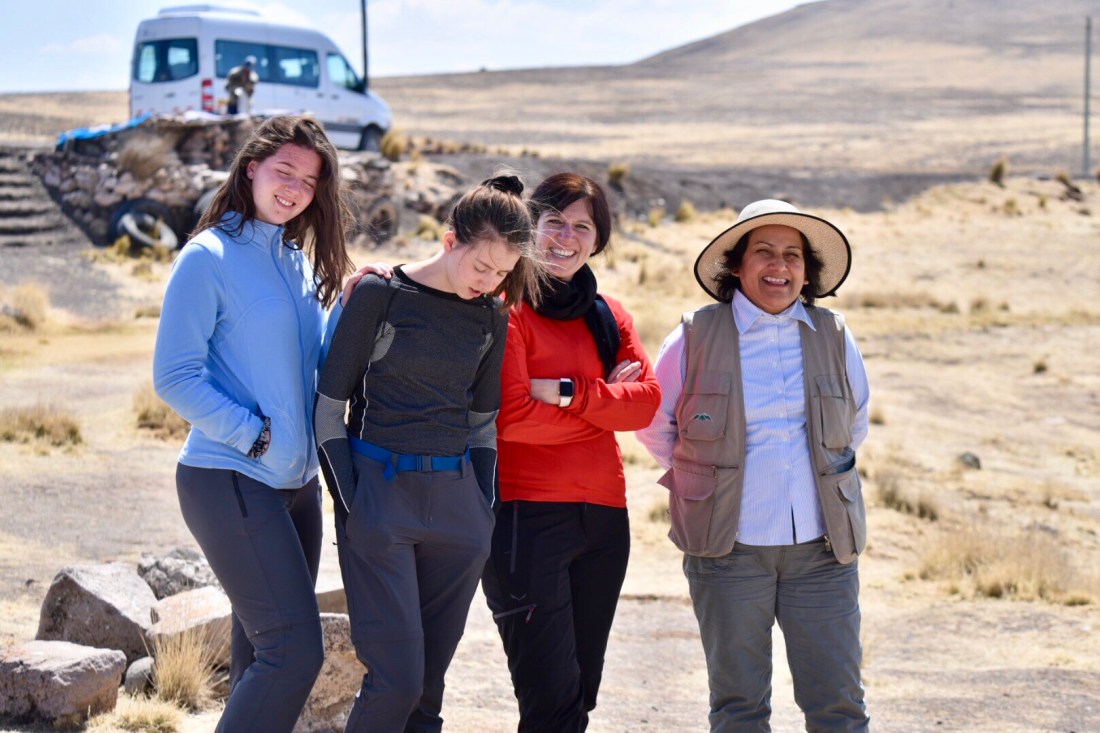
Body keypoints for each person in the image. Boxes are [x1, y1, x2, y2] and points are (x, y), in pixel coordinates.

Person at [314, 174, 543, 733]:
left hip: (457, 510)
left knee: (427, 688)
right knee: (396, 679)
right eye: (480, 266)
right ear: (449, 241)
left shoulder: (491, 315)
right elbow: (328, 410)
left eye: (501, 273)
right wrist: (354, 506)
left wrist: (481, 511)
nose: (488, 282)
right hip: (380, 499)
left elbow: (481, 424)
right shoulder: (380, 295)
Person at [636, 199, 871, 732]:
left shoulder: (835, 335)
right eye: (763, 251)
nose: (778, 266)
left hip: (823, 554)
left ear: (807, 271)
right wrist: (702, 483)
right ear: (737, 265)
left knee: (839, 706)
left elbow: (855, 425)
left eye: (792, 255)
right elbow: (654, 425)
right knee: (739, 708)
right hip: (728, 553)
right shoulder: (693, 336)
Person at [153, 114, 353, 732]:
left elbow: (308, 367)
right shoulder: (208, 256)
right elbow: (174, 375)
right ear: (250, 169)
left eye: (309, 181)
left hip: (297, 490)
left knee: (261, 661)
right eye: (283, 171)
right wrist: (255, 435)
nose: (294, 189)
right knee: (293, 653)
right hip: (231, 477)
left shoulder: (296, 261)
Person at [481, 172, 662, 732]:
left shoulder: (610, 315)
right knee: (551, 703)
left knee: (580, 695)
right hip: (525, 521)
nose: (566, 237)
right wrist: (602, 409)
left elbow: (647, 404)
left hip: (606, 523)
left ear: (598, 240)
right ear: (529, 225)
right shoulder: (505, 306)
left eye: (582, 227)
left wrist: (567, 394)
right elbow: (512, 417)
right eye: (554, 221)